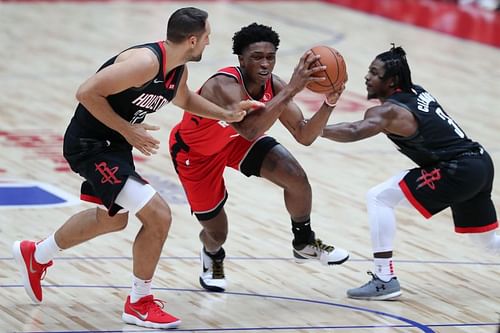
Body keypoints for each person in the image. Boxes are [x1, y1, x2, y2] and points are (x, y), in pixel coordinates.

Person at [11, 7, 263, 330]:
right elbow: (86, 92)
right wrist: (127, 129)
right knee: (159, 214)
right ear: (191, 39)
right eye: (206, 37)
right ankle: (139, 302)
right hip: (90, 145)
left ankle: (37, 255)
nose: (208, 42)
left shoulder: (178, 70)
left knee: (111, 220)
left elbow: (185, 100)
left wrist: (226, 114)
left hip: (114, 146)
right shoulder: (145, 63)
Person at [169, 23, 349, 293]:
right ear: (241, 60)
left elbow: (305, 135)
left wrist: (330, 102)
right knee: (218, 233)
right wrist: (291, 89)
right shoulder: (223, 84)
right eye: (256, 57)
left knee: (296, 177)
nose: (265, 64)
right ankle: (213, 256)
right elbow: (249, 128)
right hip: (196, 154)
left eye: (270, 57)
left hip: (234, 143)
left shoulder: (274, 85)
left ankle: (304, 242)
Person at [321, 44, 499, 300]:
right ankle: (384, 278)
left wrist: (314, 128)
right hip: (480, 163)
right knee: (486, 242)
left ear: (391, 80)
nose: (367, 77)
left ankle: (384, 278)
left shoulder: (389, 111)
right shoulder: (417, 92)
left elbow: (353, 130)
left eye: (374, 72)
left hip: (458, 168)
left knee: (379, 196)